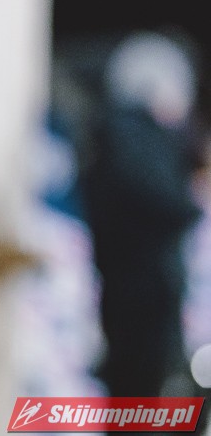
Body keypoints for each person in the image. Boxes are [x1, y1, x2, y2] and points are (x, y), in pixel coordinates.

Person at [78, 29, 205, 401]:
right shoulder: (133, 134)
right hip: (141, 294)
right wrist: (193, 199)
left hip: (139, 291)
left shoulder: (122, 135)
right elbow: (165, 202)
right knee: (141, 391)